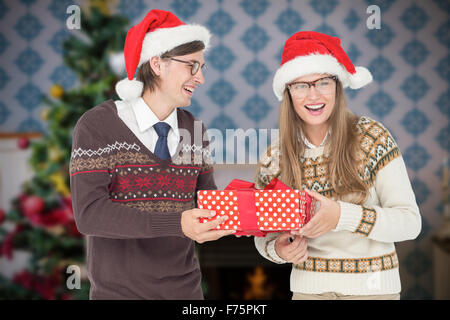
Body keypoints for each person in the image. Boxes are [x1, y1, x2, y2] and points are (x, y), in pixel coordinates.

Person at [70, 9, 234, 300]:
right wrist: (177, 222)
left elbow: (207, 202)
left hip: (187, 294)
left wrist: (257, 214)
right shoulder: (98, 125)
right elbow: (89, 214)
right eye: (192, 66)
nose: (200, 79)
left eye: (202, 68)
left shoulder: (194, 129)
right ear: (157, 64)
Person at [254, 31, 421, 300]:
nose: (313, 95)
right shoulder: (274, 157)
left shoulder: (371, 137)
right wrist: (278, 250)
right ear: (288, 93)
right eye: (300, 85)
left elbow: (410, 223)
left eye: (323, 82)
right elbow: (263, 234)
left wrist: (341, 216)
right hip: (308, 292)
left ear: (337, 86)